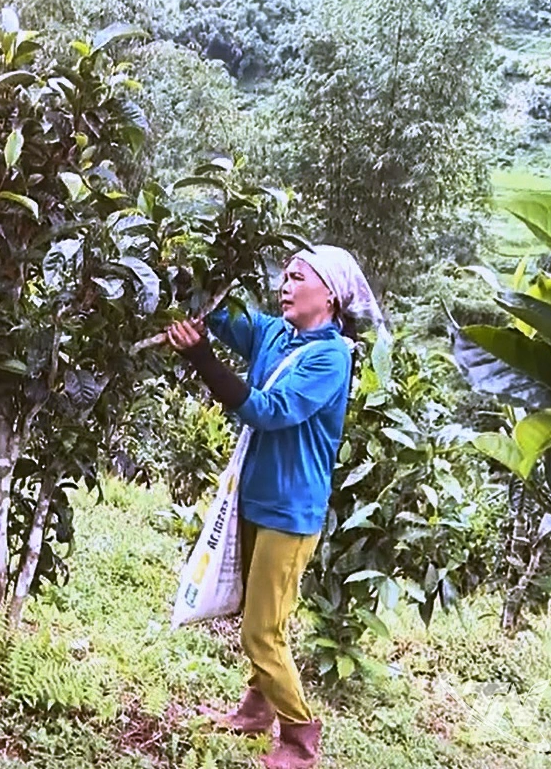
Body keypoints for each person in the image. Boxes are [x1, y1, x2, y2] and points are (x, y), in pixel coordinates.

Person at [164, 245, 383, 769]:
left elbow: (268, 411)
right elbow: (216, 311)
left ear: (328, 294)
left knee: (263, 629)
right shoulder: (273, 332)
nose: (284, 284)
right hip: (255, 498)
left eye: (297, 277)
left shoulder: (331, 358)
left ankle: (301, 737)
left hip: (290, 513)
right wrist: (177, 268)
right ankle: (256, 708)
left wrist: (201, 360)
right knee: (257, 612)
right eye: (283, 276)